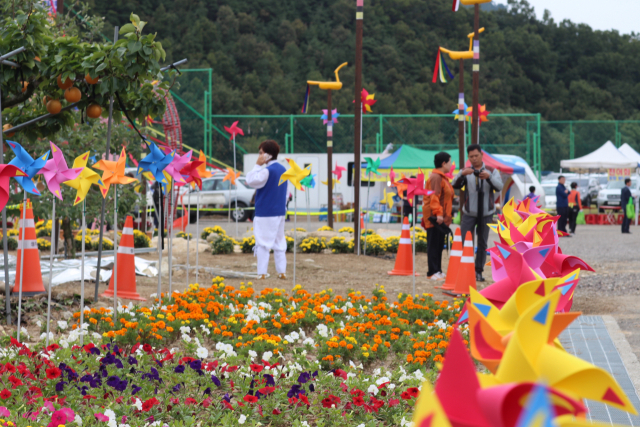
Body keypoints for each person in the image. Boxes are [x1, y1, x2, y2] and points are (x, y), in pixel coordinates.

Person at [451, 144, 504, 282]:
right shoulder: (465, 170)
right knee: (464, 241)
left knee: (482, 243)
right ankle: (463, 270)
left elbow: (499, 186)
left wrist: (489, 177)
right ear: (468, 157)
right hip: (469, 212)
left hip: (486, 212)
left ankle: (478, 271)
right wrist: (461, 174)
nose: (474, 159)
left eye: (476, 156)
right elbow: (454, 185)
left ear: (481, 155)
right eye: (471, 157)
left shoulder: (492, 170)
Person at [245, 140, 288, 279]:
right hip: (280, 211)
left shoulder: (266, 171)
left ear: (267, 155)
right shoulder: (283, 169)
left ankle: (262, 273)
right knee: (279, 242)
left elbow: (250, 180)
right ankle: (282, 271)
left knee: (263, 243)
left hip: (265, 211)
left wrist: (257, 165)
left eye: (261, 153)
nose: (259, 156)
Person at [423, 152, 454, 280]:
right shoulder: (436, 177)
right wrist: (438, 214)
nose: (451, 165)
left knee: (439, 244)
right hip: (435, 218)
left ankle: (438, 270)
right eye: (450, 162)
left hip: (442, 218)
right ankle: (432, 272)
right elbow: (434, 197)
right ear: (443, 163)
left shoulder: (443, 178)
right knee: (434, 244)